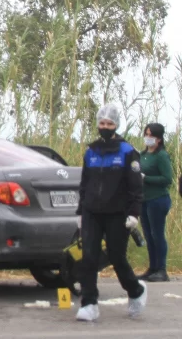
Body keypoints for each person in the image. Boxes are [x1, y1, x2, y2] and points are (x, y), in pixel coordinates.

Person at [75, 103, 147, 322]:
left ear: (116, 125)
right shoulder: (91, 151)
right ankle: (89, 303)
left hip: (117, 213)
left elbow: (136, 186)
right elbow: (84, 183)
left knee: (117, 257)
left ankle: (136, 291)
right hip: (91, 213)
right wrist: (81, 211)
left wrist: (134, 214)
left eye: (109, 123)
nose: (105, 126)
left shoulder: (127, 152)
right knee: (88, 257)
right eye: (102, 123)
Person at [138, 123, 173, 282]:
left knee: (157, 234)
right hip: (144, 199)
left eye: (151, 135)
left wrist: (147, 178)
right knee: (148, 234)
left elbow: (167, 179)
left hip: (158, 199)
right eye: (146, 134)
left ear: (158, 139)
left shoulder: (161, 156)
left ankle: (162, 269)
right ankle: (152, 268)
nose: (148, 137)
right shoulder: (143, 155)